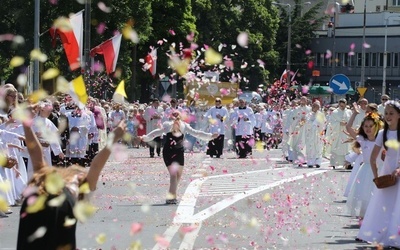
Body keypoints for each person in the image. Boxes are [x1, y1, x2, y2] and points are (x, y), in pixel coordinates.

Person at [17, 116, 126, 250]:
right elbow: (96, 165)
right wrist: (114, 138)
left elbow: (35, 152)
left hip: (34, 201)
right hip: (60, 204)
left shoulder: (44, 175)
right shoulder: (80, 182)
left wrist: (26, 124)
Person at [141, 111, 218, 204]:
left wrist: (210, 136)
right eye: (174, 114)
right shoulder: (168, 125)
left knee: (178, 176)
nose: (175, 116)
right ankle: (171, 197)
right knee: (173, 175)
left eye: (176, 114)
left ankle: (171, 194)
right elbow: (156, 132)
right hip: (169, 151)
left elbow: (196, 133)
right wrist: (145, 137)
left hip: (178, 151)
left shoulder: (184, 125)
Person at [356, 100, 400, 247]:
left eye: (391, 113)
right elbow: (373, 158)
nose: (388, 116)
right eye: (386, 113)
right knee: (384, 205)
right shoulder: (382, 133)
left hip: (398, 172)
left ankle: (395, 239)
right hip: (387, 173)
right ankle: (381, 235)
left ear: (399, 115)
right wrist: (376, 177)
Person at [345, 103, 383, 218]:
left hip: (379, 169)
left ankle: (375, 216)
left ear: (377, 126)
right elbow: (348, 128)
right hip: (366, 169)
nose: (368, 129)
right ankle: (363, 215)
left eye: (371, 126)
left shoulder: (381, 139)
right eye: (365, 126)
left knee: (376, 194)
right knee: (364, 194)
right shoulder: (362, 139)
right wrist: (354, 114)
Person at [305, 101, 326, 168]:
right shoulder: (309, 114)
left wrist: (318, 125)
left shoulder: (321, 114)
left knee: (318, 147)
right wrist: (312, 124)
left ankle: (318, 162)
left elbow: (323, 124)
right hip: (310, 134)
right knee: (310, 148)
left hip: (318, 134)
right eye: (314, 106)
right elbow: (306, 123)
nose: (316, 108)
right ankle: (310, 162)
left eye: (317, 106)